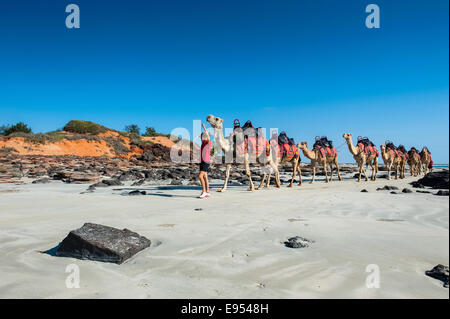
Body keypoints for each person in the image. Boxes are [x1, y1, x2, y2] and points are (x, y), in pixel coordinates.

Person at [198, 123, 211, 198]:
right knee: (205, 176)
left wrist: (204, 128)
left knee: (200, 176)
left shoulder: (208, 143)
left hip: (206, 162)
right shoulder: (202, 143)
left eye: (202, 137)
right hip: (202, 161)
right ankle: (208, 192)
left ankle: (203, 191)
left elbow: (207, 136)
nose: (201, 138)